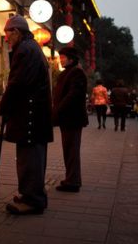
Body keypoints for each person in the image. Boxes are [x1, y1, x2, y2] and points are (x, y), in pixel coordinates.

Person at [0, 15, 53, 215]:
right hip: (33, 114)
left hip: (31, 114)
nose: (6, 38)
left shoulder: (25, 50)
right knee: (30, 156)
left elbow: (18, 83)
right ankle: (30, 194)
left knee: (30, 158)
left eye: (8, 33)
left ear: (17, 32)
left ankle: (33, 199)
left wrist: (3, 106)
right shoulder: (31, 48)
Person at [52, 47, 88, 193]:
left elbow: (73, 95)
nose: (60, 60)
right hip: (66, 118)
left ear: (71, 58)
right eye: (60, 57)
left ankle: (73, 181)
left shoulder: (76, 73)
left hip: (72, 118)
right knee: (68, 150)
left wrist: (59, 108)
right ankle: (71, 179)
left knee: (71, 150)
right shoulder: (67, 73)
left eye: (63, 57)